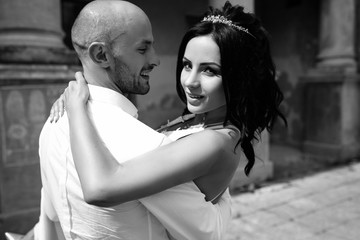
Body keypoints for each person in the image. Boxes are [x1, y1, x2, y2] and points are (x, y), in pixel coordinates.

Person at [50, 0, 285, 233]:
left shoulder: (217, 141)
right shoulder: (198, 120)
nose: (190, 82)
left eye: (209, 70)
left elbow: (99, 188)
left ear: (238, 78)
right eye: (186, 65)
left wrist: (77, 107)